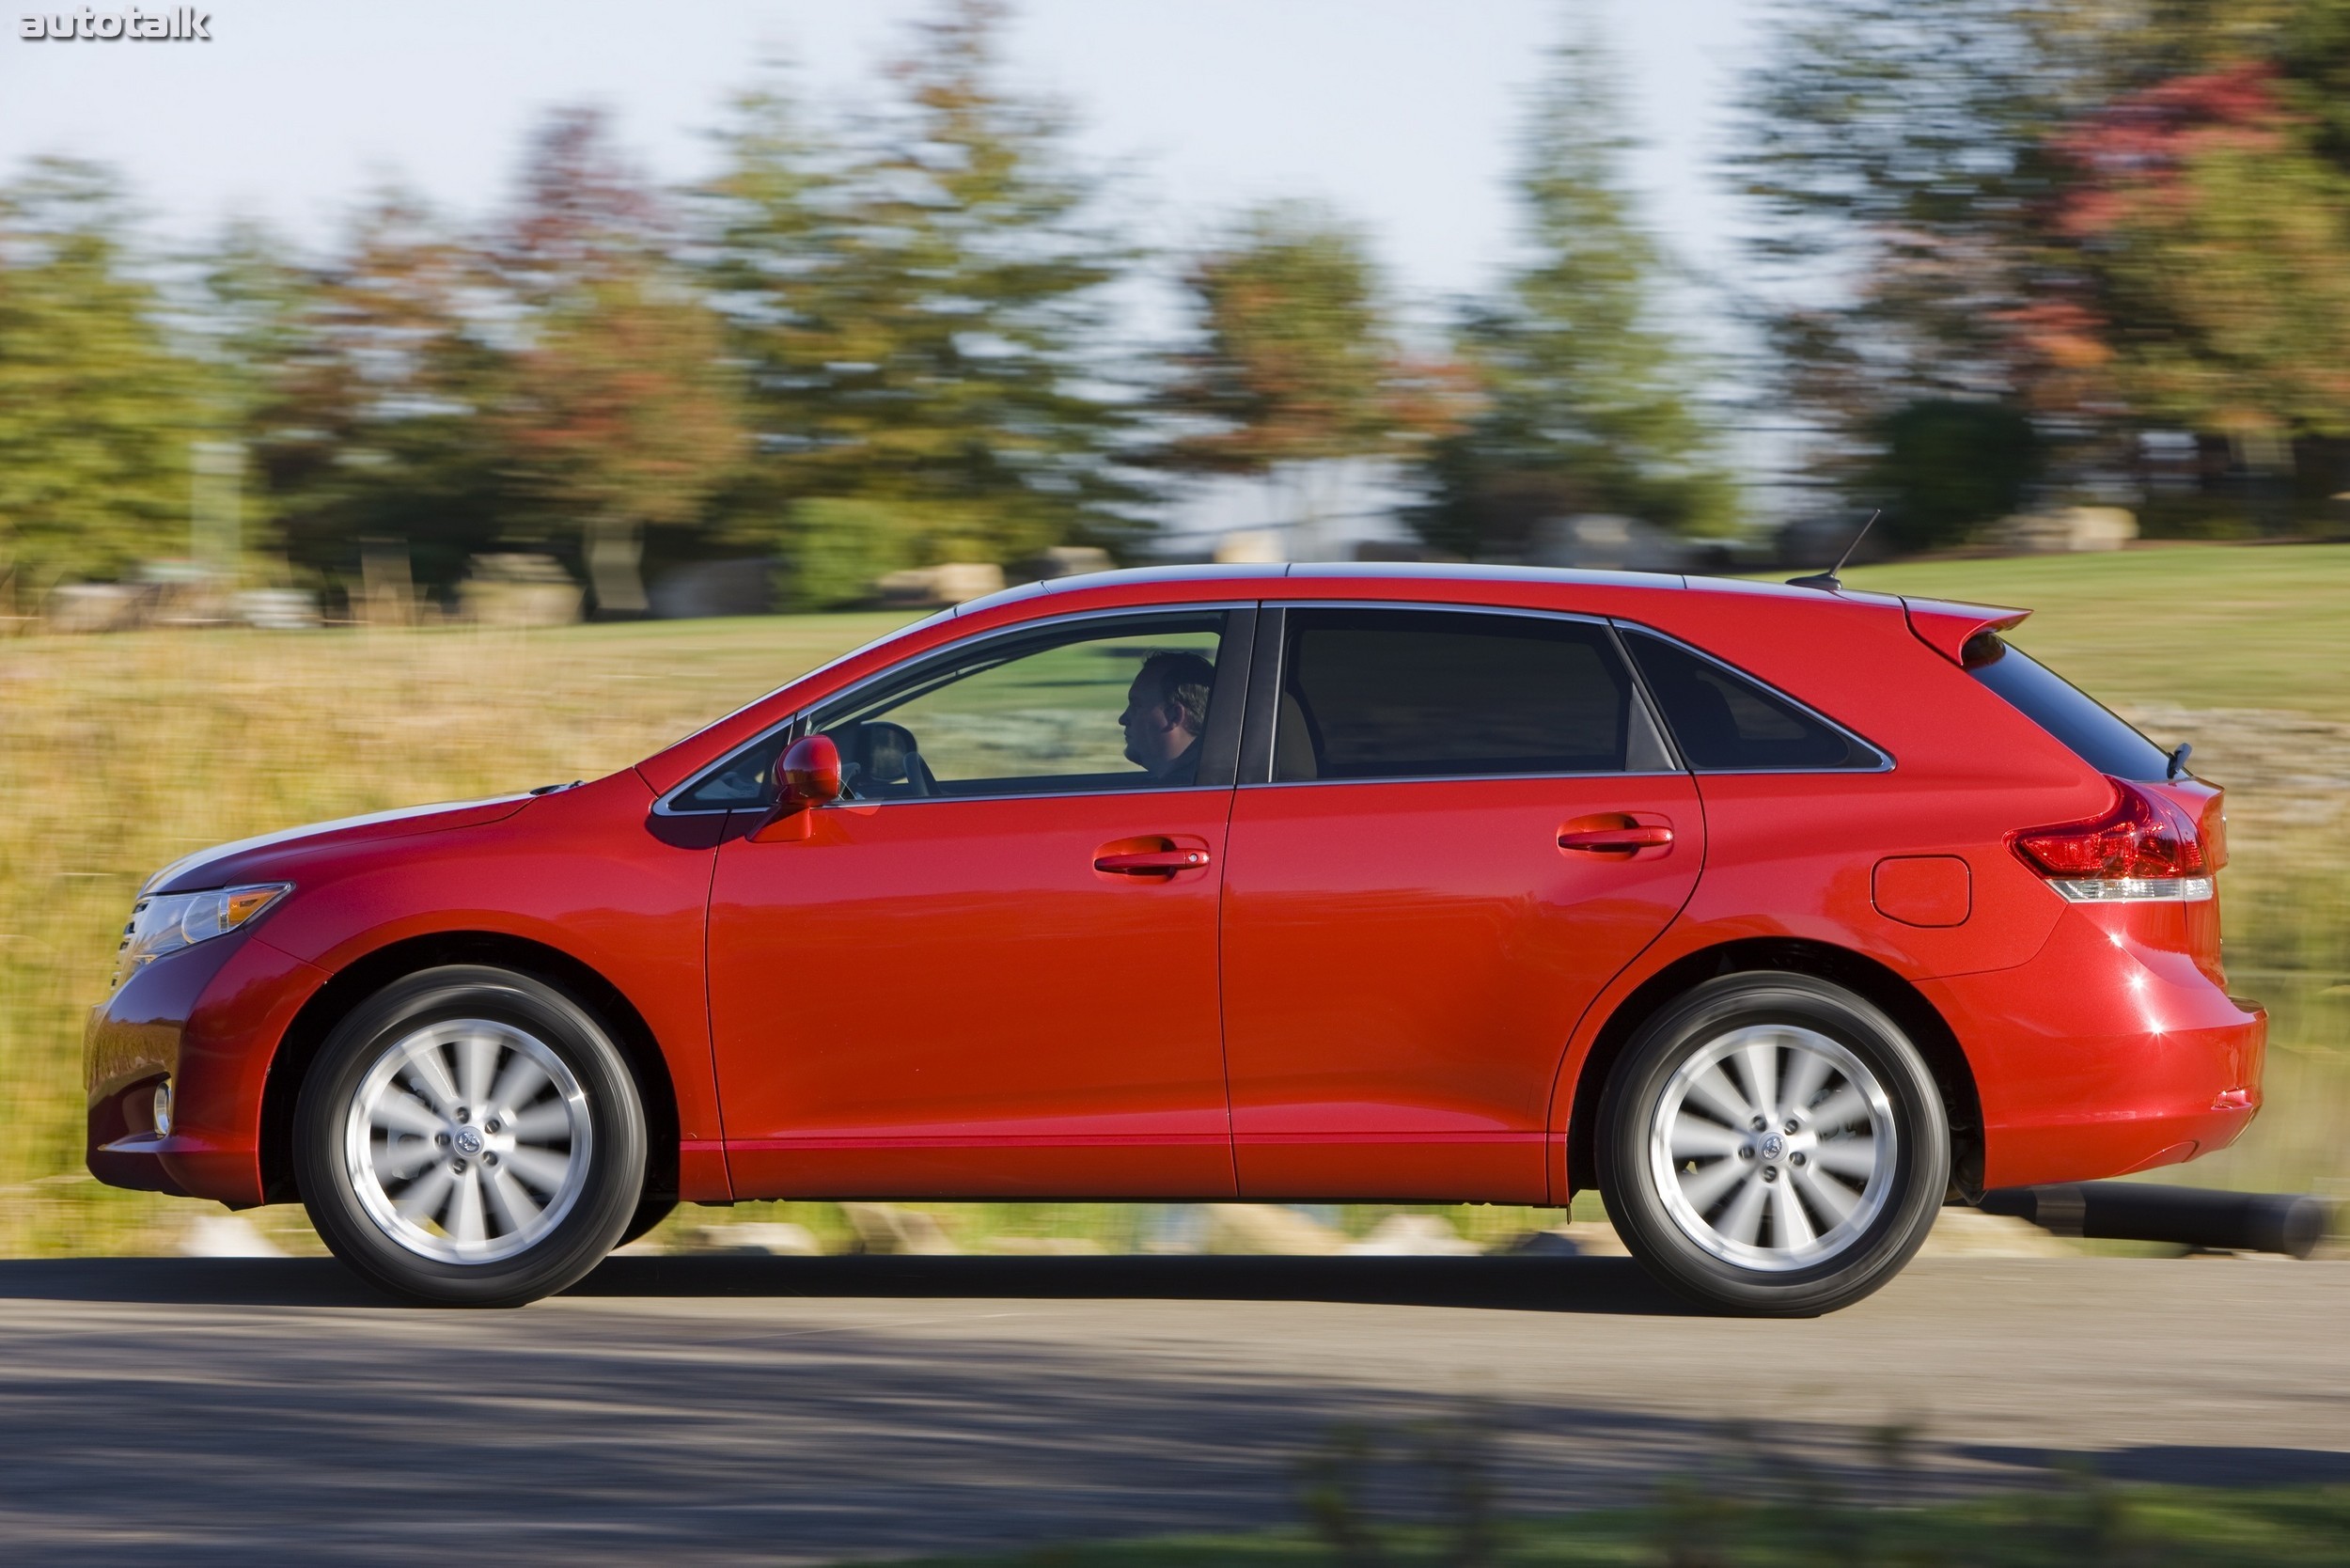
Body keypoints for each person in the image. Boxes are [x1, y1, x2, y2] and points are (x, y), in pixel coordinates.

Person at [1120, 650, 1215, 784]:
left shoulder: (1182, 796)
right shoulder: (1195, 781)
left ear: (1174, 716)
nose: (1122, 719)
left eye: (1136, 706)